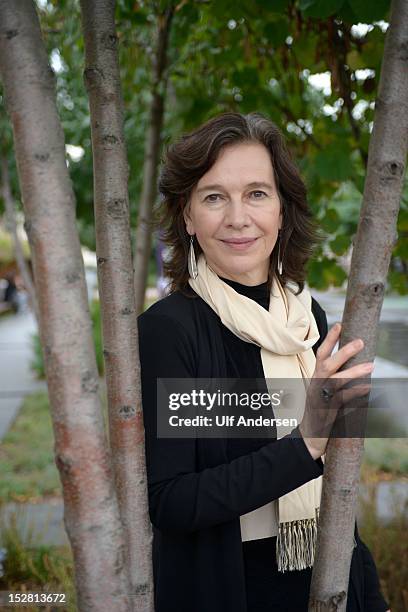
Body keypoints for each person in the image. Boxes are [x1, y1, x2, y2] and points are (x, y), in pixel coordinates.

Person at [137, 112, 390, 612]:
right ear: (187, 217)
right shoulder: (170, 329)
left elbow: (334, 480)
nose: (238, 217)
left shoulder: (306, 315)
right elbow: (172, 501)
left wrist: (371, 597)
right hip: (234, 589)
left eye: (257, 193)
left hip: (331, 574)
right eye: (213, 197)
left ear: (281, 210)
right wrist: (305, 443)